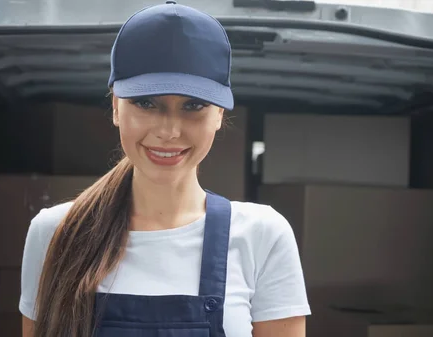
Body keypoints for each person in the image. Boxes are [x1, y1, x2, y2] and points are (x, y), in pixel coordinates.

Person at [19, 1, 311, 336]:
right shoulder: (57, 232)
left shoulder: (263, 236)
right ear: (116, 107)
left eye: (193, 105)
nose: (169, 131)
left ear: (218, 115)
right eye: (146, 103)